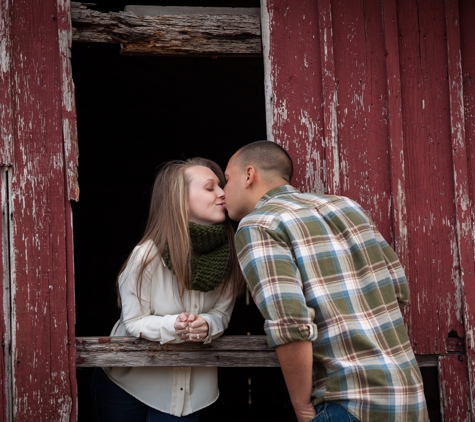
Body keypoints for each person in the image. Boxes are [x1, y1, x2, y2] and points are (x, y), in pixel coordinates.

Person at [224, 141, 429, 422]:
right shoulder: (347, 206)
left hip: (348, 404)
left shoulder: (258, 225)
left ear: (249, 175)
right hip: (407, 396)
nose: (223, 192)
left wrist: (301, 407)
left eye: (226, 179)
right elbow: (398, 289)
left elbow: (290, 324)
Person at [91, 157, 245, 422]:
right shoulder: (147, 255)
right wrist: (176, 326)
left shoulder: (233, 254)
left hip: (193, 396)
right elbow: (133, 321)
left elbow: (222, 314)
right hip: (129, 386)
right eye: (210, 188)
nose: (222, 193)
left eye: (221, 186)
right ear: (180, 199)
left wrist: (206, 325)